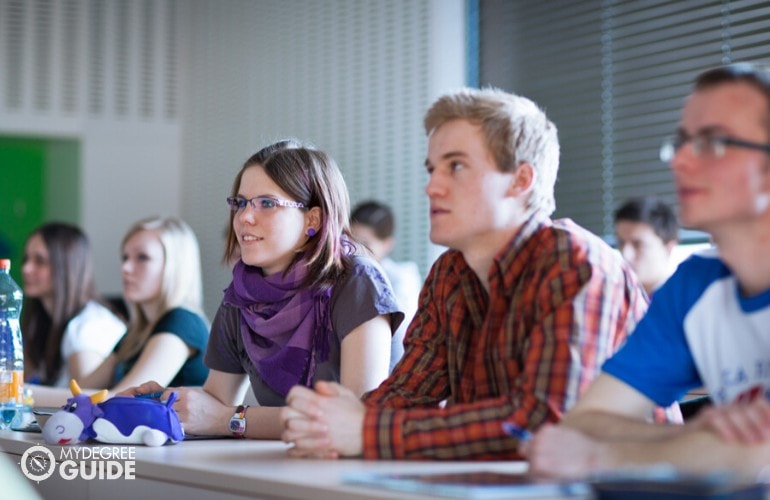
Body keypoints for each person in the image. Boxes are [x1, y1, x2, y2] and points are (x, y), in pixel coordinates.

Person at [279, 87, 654, 460]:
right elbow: (408, 394)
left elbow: (543, 422)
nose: (431, 186)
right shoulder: (449, 272)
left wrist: (364, 429)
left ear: (520, 181)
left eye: (455, 166)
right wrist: (329, 419)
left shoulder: (577, 261)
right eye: (432, 169)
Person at [525, 62, 770, 480]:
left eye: (712, 143)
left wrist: (601, 459)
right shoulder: (696, 285)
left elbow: (758, 456)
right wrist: (696, 434)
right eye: (681, 142)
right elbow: (585, 423)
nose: (679, 161)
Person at [124, 142, 403, 440]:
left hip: (355, 471)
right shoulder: (241, 294)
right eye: (241, 203)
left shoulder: (356, 281)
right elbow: (218, 403)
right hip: (280, 464)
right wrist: (167, 404)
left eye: (267, 203)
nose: (244, 217)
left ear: (312, 220)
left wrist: (230, 420)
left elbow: (356, 418)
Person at [28, 216, 210, 406]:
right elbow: (79, 391)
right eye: (124, 257)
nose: (125, 268)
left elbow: (124, 400)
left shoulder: (182, 322)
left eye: (142, 258)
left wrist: (23, 393)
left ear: (175, 266)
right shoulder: (136, 334)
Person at [21, 222, 126, 388]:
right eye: (26, 259)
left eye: (39, 261)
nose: (26, 268)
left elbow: (84, 401)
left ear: (67, 266)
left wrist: (24, 393)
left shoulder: (87, 326)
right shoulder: (42, 323)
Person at [351, 200, 421, 371]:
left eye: (366, 244)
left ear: (387, 245)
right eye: (351, 241)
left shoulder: (402, 279)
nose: (356, 251)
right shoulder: (346, 274)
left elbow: (402, 337)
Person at [614, 196, 679, 296]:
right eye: (621, 243)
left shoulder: (686, 302)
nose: (626, 255)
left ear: (668, 247)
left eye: (638, 244)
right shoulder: (613, 299)